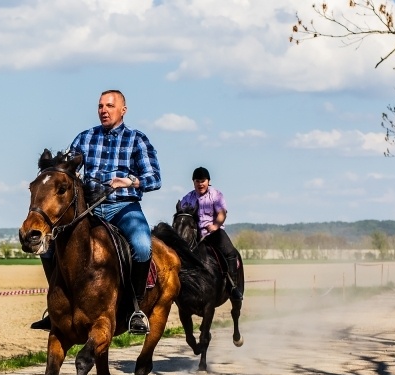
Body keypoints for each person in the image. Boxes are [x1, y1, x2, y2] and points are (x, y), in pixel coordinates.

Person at [32, 89, 161, 335]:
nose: (104, 110)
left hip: (123, 207)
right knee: (48, 247)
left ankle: (135, 309)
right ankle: (57, 308)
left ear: (123, 110)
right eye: (101, 106)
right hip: (89, 209)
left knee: (143, 246)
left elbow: (154, 178)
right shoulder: (84, 138)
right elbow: (66, 172)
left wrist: (129, 181)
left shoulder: (137, 140)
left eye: (110, 106)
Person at [179, 166, 243, 301]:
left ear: (208, 181)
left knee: (231, 253)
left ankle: (233, 287)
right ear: (193, 182)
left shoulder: (216, 195)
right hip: (193, 237)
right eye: (197, 181)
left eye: (203, 181)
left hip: (213, 234)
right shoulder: (187, 198)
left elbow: (222, 213)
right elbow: (182, 216)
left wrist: (215, 226)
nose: (200, 184)